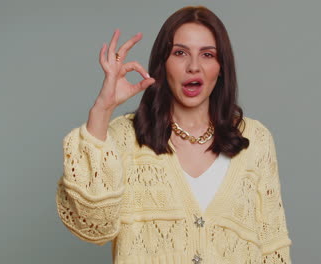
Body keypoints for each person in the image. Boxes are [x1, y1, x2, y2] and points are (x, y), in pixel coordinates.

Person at [56, 6, 292, 264]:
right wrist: (102, 109)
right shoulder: (125, 137)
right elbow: (92, 226)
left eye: (207, 54)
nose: (194, 66)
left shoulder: (255, 141)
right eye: (180, 53)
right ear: (162, 64)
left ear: (221, 66)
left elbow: (273, 247)